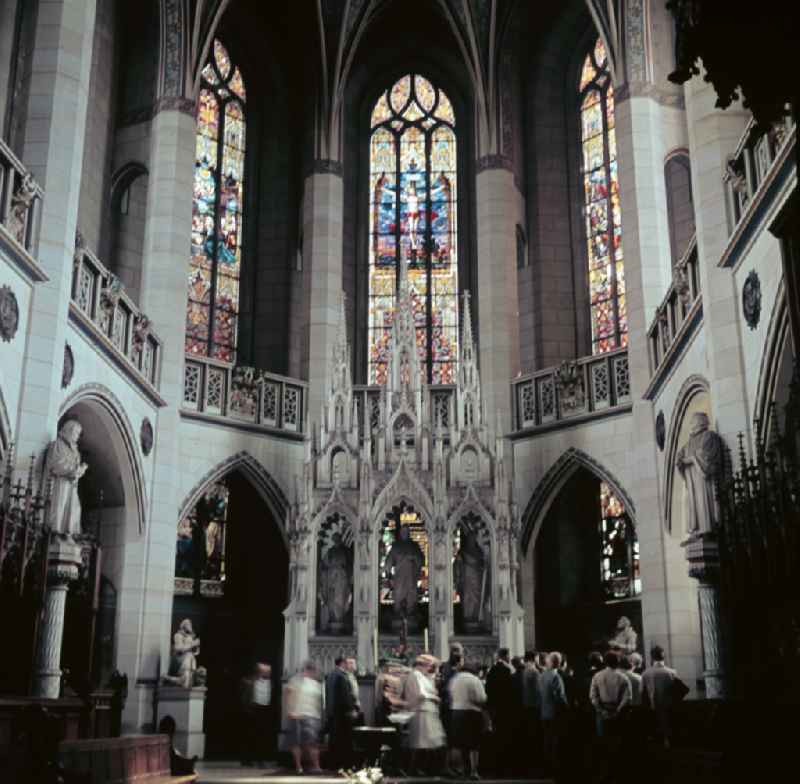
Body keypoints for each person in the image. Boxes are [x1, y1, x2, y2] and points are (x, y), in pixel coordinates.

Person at [589, 651, 632, 783]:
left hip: (602, 714)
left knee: (603, 744)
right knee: (618, 743)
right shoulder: (623, 677)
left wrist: (601, 711)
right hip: (618, 714)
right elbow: (628, 698)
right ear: (617, 662)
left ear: (605, 662)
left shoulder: (597, 676)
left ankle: (604, 775)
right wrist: (618, 711)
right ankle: (618, 774)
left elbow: (593, 697)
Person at [45, 419, 88, 536]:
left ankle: (69, 533)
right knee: (59, 507)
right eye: (76, 433)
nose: (77, 437)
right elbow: (56, 464)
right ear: (69, 431)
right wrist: (73, 470)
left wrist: (80, 470)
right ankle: (55, 533)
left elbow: (75, 465)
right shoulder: (57, 445)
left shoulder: (75, 450)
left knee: (74, 509)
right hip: (60, 482)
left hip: (72, 484)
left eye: (79, 434)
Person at [404, 654, 446, 775]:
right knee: (421, 743)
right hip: (421, 712)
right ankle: (415, 769)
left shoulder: (423, 676)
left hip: (427, 712)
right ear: (422, 665)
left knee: (427, 743)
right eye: (430, 665)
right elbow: (421, 694)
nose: (431, 668)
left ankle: (422, 769)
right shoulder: (416, 675)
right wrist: (435, 698)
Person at [448, 660, 487, 780]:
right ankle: (474, 771)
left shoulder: (455, 679)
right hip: (472, 713)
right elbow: (481, 698)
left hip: (456, 712)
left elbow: (450, 695)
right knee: (474, 744)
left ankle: (459, 770)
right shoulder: (474, 680)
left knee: (457, 743)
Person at [287, 661, 323, 774]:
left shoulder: (315, 683)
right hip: (298, 715)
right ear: (308, 670)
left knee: (310, 743)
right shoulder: (296, 680)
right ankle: (300, 767)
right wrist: (290, 710)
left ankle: (313, 766)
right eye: (312, 671)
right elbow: (288, 695)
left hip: (308, 715)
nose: (314, 673)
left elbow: (319, 702)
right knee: (298, 743)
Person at [384, 525, 424, 623]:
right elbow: (389, 560)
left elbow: (421, 559)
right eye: (402, 532)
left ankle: (411, 613)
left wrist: (414, 557)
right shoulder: (396, 546)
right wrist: (388, 574)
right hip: (399, 576)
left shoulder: (414, 546)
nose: (404, 533)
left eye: (406, 531)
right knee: (398, 594)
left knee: (411, 594)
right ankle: (398, 614)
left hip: (411, 576)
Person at [641, 645, 679, 749]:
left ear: (652, 657)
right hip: (668, 707)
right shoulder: (672, 672)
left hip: (652, 708)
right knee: (668, 731)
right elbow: (678, 692)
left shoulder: (645, 673)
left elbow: (642, 693)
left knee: (655, 735)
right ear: (664, 656)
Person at [485, 648, 514, 777]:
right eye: (509, 655)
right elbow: (510, 690)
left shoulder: (492, 670)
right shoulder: (508, 670)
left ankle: (493, 766)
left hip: (494, 707)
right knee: (505, 735)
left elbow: (488, 689)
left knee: (495, 735)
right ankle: (504, 766)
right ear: (506, 656)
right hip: (505, 707)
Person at [537, 652, 568, 777]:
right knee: (555, 741)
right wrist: (567, 707)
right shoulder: (556, 677)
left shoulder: (542, 675)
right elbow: (559, 697)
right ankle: (555, 769)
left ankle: (546, 767)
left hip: (544, 712)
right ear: (558, 662)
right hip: (555, 713)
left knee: (546, 740)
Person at [239, 662, 275, 768]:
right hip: (253, 710)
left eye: (269, 671)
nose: (268, 673)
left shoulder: (271, 683)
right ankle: (248, 759)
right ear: (259, 671)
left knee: (263, 737)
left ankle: (262, 759)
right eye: (266, 671)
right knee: (251, 736)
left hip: (266, 711)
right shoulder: (248, 681)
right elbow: (243, 696)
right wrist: (247, 708)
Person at [325, 656, 357, 770]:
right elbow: (345, 696)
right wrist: (351, 710)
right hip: (342, 714)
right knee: (345, 740)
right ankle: (346, 765)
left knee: (334, 740)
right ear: (343, 663)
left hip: (332, 713)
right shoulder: (342, 676)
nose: (348, 665)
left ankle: (333, 764)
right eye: (347, 663)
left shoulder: (329, 675)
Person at [345, 657, 364, 725]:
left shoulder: (352, 676)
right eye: (351, 663)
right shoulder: (346, 677)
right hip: (351, 708)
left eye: (353, 663)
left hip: (355, 705)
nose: (354, 665)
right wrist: (352, 709)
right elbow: (349, 694)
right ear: (347, 665)